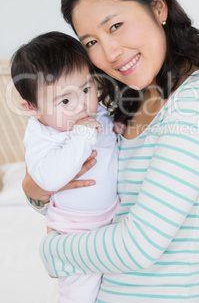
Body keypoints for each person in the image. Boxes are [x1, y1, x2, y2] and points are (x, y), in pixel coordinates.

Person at [22, 0, 199, 302]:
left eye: (115, 26)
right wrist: (36, 189)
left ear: (157, 7)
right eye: (91, 41)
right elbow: (82, 192)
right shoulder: (122, 108)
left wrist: (52, 251)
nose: (109, 52)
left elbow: (138, 246)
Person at [11, 32, 119, 303]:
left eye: (86, 89)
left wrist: (118, 128)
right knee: (79, 294)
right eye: (65, 101)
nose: (82, 105)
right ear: (32, 108)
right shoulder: (41, 134)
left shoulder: (97, 113)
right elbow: (47, 178)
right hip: (74, 231)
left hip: (115, 220)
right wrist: (80, 137)